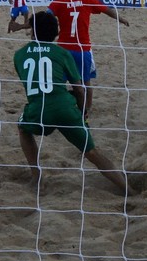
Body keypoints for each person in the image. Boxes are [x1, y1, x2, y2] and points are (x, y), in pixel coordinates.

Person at [13, 10, 128, 194]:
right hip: (65, 109)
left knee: (22, 129)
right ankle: (127, 189)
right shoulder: (62, 53)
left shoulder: (19, 55)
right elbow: (79, 89)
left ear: (33, 31)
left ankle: (37, 177)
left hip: (38, 110)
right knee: (92, 153)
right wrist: (82, 113)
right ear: (55, 33)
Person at [47, 0, 130, 119]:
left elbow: (45, 18)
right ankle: (87, 109)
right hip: (82, 48)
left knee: (58, 82)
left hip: (63, 49)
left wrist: (29, 28)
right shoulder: (87, 0)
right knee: (86, 82)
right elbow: (107, 10)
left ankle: (60, 107)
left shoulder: (58, 2)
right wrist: (122, 19)